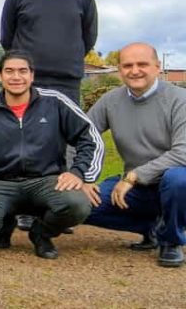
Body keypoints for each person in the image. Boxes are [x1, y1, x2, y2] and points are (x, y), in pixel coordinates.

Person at [0, 50, 103, 259]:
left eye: (22, 71)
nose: (16, 77)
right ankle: (4, 224)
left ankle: (41, 233)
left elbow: (90, 138)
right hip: (1, 181)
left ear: (32, 75)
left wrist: (79, 174)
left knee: (78, 204)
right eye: (9, 71)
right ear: (0, 76)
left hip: (46, 180)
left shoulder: (55, 102)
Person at [83, 42, 186, 267]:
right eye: (127, 65)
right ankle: (152, 227)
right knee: (77, 205)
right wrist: (79, 176)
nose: (134, 70)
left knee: (178, 179)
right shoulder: (111, 101)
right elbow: (81, 135)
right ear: (119, 70)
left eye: (142, 64)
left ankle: (171, 240)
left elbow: (183, 152)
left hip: (173, 184)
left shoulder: (180, 99)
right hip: (138, 189)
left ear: (158, 67)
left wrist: (134, 176)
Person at [0, 0, 97, 105]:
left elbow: (89, 36)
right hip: (28, 81)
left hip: (68, 82)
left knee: (66, 132)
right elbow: (7, 38)